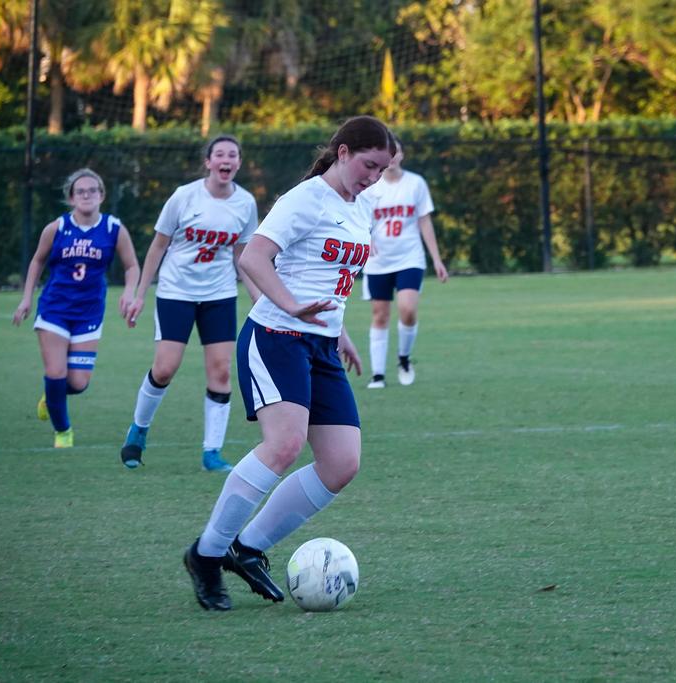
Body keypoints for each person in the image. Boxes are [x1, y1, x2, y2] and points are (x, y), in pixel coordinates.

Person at [182, 116, 395, 611]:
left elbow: (329, 275)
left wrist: (340, 332)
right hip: (276, 336)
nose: (373, 177)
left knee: (342, 463)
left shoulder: (360, 207)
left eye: (382, 170)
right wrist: (292, 306)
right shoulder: (305, 199)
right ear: (343, 153)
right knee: (284, 444)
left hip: (321, 345)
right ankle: (206, 554)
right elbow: (253, 259)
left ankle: (247, 548)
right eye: (368, 165)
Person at [120, 134, 262, 472]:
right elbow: (158, 246)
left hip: (219, 294)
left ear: (238, 163)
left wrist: (258, 297)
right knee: (165, 368)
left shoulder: (245, 203)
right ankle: (138, 430)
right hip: (176, 291)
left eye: (232, 155)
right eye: (220, 154)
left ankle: (212, 452)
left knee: (221, 370)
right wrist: (140, 294)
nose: (226, 160)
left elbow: (242, 255)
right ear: (208, 162)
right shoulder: (184, 197)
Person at [12, 168, 140, 448]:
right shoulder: (56, 228)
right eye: (80, 191)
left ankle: (52, 395)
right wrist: (26, 298)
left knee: (79, 383)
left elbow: (131, 265)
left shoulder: (113, 228)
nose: (86, 195)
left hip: (89, 312)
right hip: (54, 309)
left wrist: (129, 292)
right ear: (71, 198)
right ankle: (63, 431)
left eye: (92, 190)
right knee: (56, 372)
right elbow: (37, 261)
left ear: (101, 195)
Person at [360, 135, 448, 389]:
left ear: (402, 155)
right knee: (380, 315)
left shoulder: (415, 184)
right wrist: (366, 238)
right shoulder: (370, 187)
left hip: (410, 257)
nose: (392, 156)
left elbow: (424, 221)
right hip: (378, 261)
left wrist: (437, 259)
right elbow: (358, 217)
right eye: (387, 152)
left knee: (408, 310)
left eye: (396, 151)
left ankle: (404, 358)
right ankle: (378, 375)